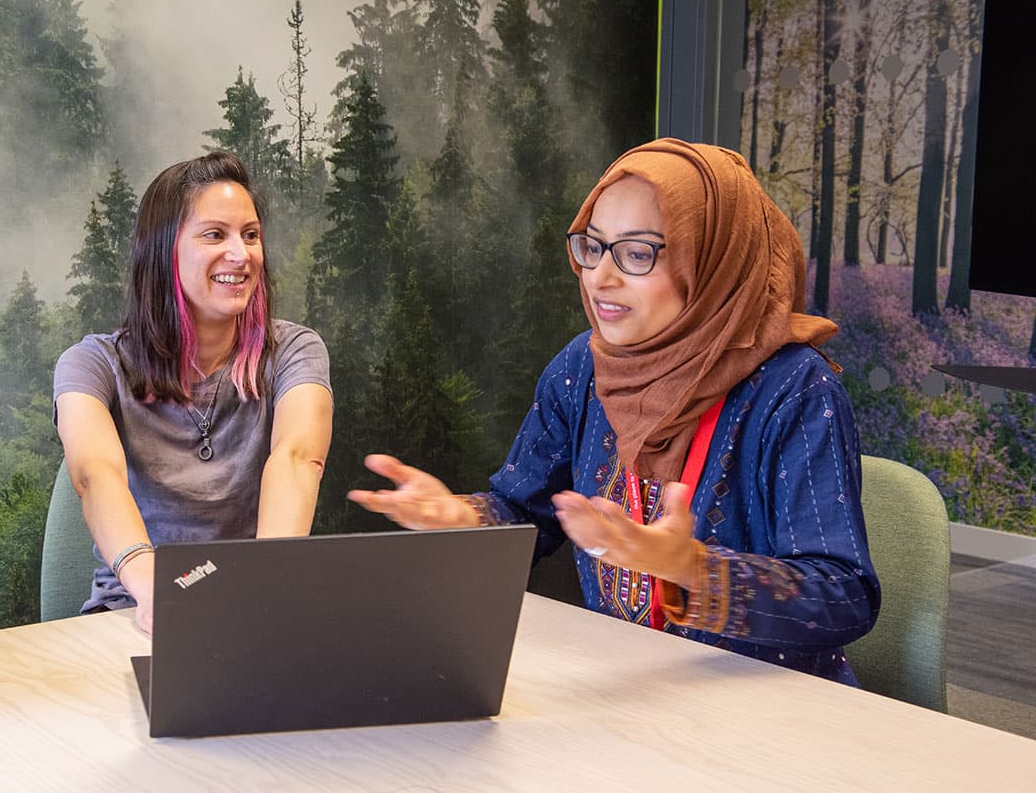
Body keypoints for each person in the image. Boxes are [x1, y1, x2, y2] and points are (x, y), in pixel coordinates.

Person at [349, 138, 879, 684]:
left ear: (712, 260)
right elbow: (525, 511)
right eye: (593, 246)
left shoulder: (795, 389)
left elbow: (844, 594)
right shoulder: (584, 366)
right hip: (629, 693)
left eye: (638, 253)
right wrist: (462, 519)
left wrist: (688, 568)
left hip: (770, 709)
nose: (600, 276)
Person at [54, 152, 333, 633]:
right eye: (215, 235)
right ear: (163, 251)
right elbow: (95, 476)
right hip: (134, 607)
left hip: (256, 600)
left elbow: (297, 459)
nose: (241, 255)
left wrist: (265, 587)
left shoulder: (295, 349)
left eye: (250, 235)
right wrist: (153, 589)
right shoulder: (91, 363)